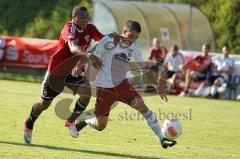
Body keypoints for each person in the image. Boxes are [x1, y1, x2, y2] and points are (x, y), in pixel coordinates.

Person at [23, 5, 120, 144]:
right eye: (81, 18)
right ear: (74, 18)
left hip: (71, 71)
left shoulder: (90, 28)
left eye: (87, 17)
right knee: (44, 104)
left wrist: (111, 37)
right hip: (56, 72)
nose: (85, 20)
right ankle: (29, 123)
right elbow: (73, 48)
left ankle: (70, 121)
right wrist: (88, 55)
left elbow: (101, 39)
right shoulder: (68, 29)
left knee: (86, 93)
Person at [75, 20, 177, 149]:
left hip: (123, 85)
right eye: (130, 36)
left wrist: (157, 85)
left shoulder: (134, 47)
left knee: (143, 107)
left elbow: (144, 68)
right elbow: (91, 54)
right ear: (124, 32)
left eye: (136, 38)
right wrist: (79, 65)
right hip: (105, 88)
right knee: (101, 126)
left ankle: (162, 139)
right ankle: (86, 119)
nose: (132, 40)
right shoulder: (109, 40)